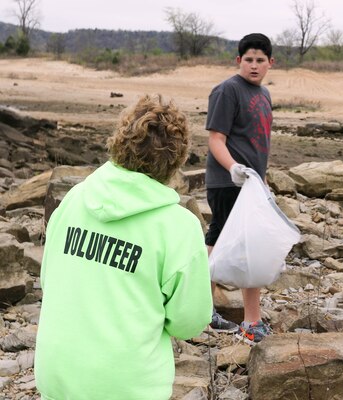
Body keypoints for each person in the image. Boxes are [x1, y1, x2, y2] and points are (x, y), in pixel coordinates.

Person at [34, 94, 213, 400]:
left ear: (118, 141)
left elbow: (48, 280)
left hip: (56, 374)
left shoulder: (76, 199)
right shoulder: (179, 226)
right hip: (127, 386)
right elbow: (189, 322)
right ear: (178, 159)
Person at [204, 33, 275, 344]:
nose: (254, 65)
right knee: (220, 243)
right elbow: (215, 139)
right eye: (249, 59)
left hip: (252, 185)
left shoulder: (265, 95)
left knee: (250, 246)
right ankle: (205, 311)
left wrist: (263, 181)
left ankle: (251, 320)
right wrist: (232, 167)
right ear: (238, 61)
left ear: (271, 63)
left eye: (260, 60)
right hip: (226, 182)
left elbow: (259, 145)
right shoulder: (227, 90)